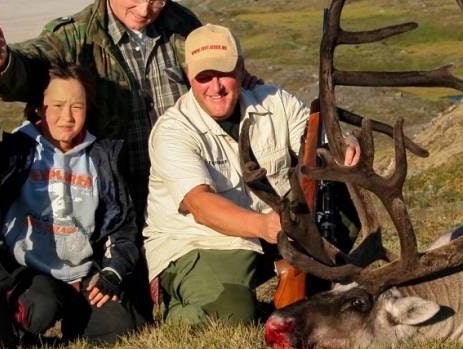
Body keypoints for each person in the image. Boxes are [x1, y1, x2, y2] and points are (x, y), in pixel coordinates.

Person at [0, 0, 202, 224]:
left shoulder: (183, 25)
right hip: (110, 207)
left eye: (157, 1)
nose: (144, 10)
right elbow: (31, 69)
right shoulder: (76, 36)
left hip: (185, 197)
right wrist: (4, 61)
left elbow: (213, 79)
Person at [144, 24, 359, 326]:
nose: (215, 87)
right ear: (188, 76)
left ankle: (315, 281)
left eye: (224, 73)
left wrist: (344, 144)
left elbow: (318, 140)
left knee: (338, 198)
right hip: (202, 240)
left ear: (241, 69)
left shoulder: (275, 102)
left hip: (271, 231)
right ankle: (176, 303)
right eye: (204, 77)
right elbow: (200, 205)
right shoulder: (173, 130)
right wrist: (264, 225)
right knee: (231, 316)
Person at [0, 64, 140, 345]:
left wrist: (112, 271)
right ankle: (20, 326)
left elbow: (121, 224)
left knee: (121, 328)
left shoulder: (102, 157)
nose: (67, 117)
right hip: (28, 272)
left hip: (82, 274)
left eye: (77, 106)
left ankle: (69, 331)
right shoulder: (20, 149)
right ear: (39, 107)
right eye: (57, 105)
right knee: (41, 308)